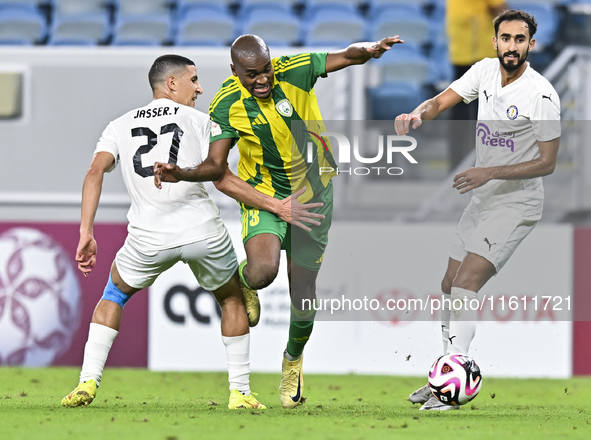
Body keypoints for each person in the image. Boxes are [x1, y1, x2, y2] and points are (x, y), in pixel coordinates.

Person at [154, 34, 403, 408]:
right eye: (252, 74)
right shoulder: (224, 104)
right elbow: (217, 168)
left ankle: (292, 360)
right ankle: (244, 279)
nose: (262, 80)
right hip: (264, 195)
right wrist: (183, 172)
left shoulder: (294, 71)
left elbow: (342, 57)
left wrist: (366, 51)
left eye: (266, 69)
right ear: (235, 71)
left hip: (313, 196)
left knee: (302, 292)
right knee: (263, 271)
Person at [61, 54, 265, 410]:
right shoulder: (202, 121)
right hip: (201, 230)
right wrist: (273, 204)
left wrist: (86, 231)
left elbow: (94, 173)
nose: (200, 88)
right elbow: (221, 177)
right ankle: (240, 393)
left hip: (148, 236)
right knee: (232, 298)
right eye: (194, 80)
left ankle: (87, 384)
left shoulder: (118, 125)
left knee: (114, 293)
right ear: (172, 83)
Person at [395, 10, 560, 410]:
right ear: (495, 42)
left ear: (530, 45)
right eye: (506, 39)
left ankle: (456, 388)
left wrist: (489, 171)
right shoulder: (484, 72)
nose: (512, 46)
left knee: (467, 282)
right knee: (449, 284)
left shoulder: (540, 96)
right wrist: (419, 113)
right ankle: (442, 378)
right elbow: (441, 101)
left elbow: (548, 162)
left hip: (518, 200)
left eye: (520, 40)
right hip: (484, 198)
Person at [446, 0, 508, 168]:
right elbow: (498, 8)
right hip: (479, 51)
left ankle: (457, 163)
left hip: (460, 50)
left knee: (460, 110)